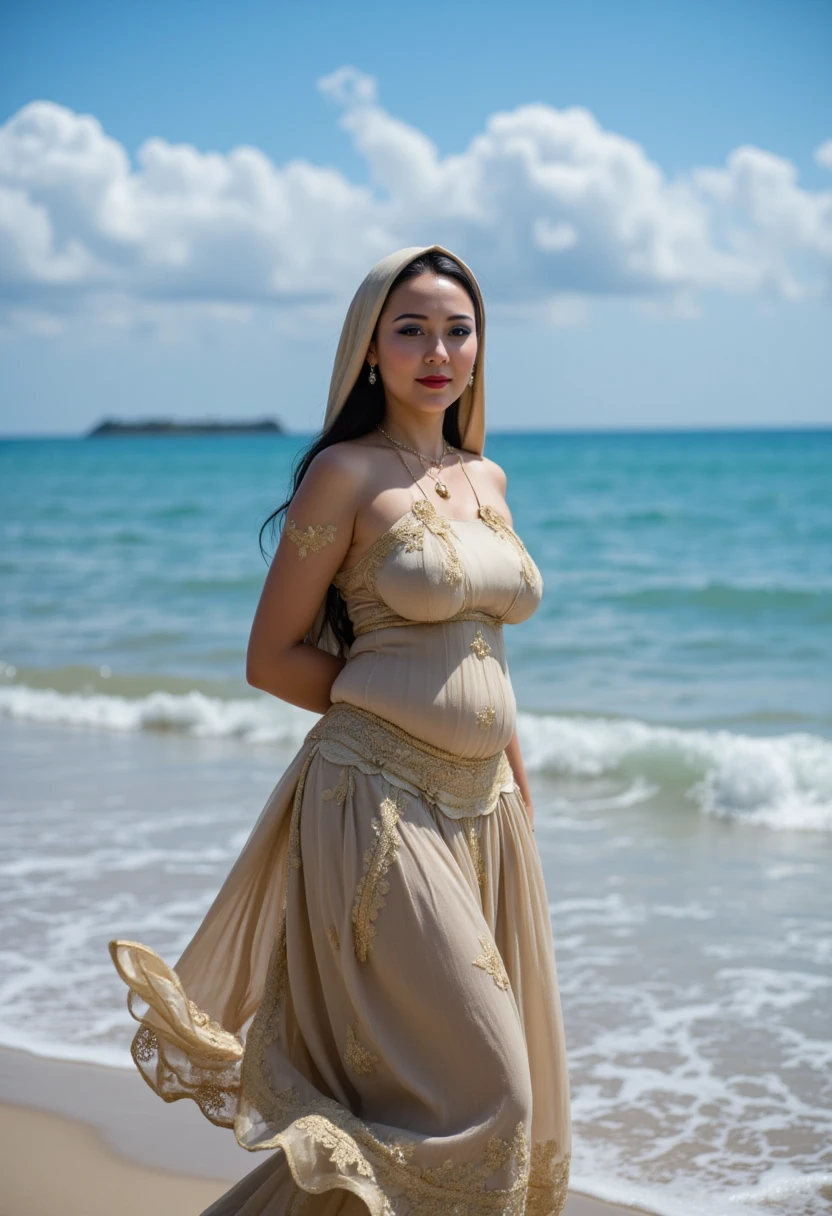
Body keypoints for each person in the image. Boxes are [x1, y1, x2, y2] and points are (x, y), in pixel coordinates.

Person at [110, 245, 572, 1215]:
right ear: (369, 351)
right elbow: (272, 655)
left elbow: (486, 651)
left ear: (481, 348)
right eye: (409, 329)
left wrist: (516, 791)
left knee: (422, 1107)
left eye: (457, 327)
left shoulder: (486, 476)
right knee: (486, 1097)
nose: (437, 348)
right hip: (375, 802)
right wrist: (395, 711)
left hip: (484, 816)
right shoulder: (343, 475)